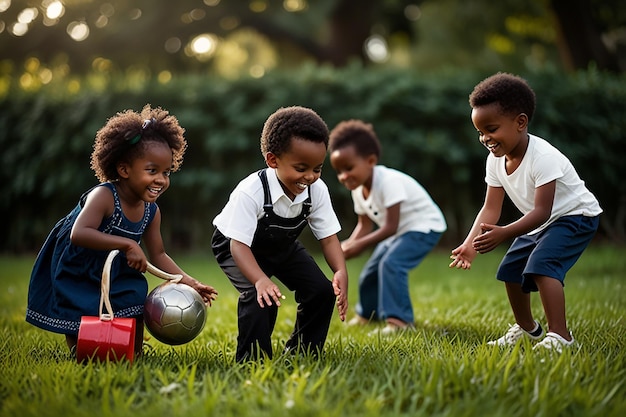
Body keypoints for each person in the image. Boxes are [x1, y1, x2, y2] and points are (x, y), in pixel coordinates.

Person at [26, 104, 218, 356]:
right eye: (152, 171)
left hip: (119, 267)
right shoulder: (104, 196)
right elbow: (79, 233)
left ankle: (133, 351)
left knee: (134, 299)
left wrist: (188, 281)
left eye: (166, 172)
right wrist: (127, 244)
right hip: (80, 264)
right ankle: (81, 351)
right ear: (124, 169)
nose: (161, 179)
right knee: (82, 315)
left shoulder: (152, 211)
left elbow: (158, 255)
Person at [450, 73, 602, 352]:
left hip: (575, 217)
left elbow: (542, 212)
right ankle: (528, 329)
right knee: (510, 270)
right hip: (540, 221)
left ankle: (561, 337)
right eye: (480, 132)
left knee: (543, 265)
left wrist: (505, 233)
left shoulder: (543, 157)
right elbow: (490, 208)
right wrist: (470, 245)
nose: (485, 138)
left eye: (491, 129)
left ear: (520, 122)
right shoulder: (495, 161)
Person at [211, 105, 348, 362]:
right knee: (259, 296)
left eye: (317, 169)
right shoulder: (251, 191)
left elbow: (328, 238)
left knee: (320, 291)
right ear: (273, 160)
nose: (309, 177)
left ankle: (303, 351)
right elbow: (237, 246)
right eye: (301, 168)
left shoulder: (316, 190)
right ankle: (253, 361)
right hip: (236, 245)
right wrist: (261, 280)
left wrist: (340, 271)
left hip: (280, 246)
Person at [328, 119, 447, 335]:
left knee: (391, 264)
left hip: (424, 227)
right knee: (370, 271)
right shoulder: (357, 189)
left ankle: (399, 321)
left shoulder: (388, 181)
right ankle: (368, 315)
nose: (343, 176)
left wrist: (359, 246)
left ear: (370, 160)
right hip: (401, 231)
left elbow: (390, 227)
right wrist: (346, 246)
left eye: (349, 168)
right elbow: (364, 226)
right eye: (339, 171)